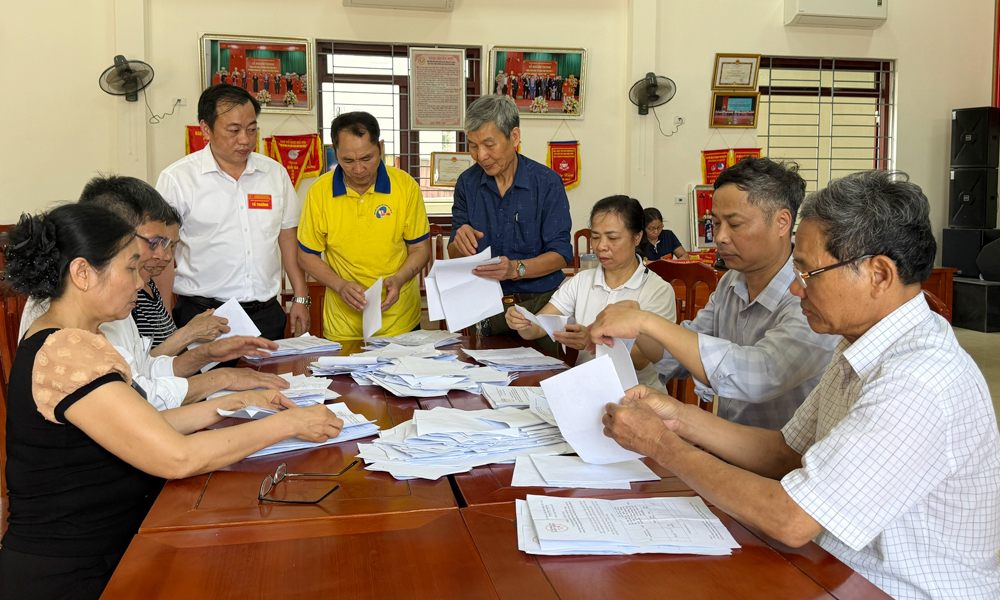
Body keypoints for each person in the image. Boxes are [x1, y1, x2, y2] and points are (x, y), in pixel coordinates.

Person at [596, 171, 1000, 600]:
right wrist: (677, 418)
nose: (795, 287)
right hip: (834, 567)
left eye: (809, 272)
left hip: (893, 588)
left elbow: (792, 518)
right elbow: (785, 452)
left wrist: (661, 444)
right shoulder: (861, 345)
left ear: (879, 274)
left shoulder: (917, 380)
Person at [0, 204, 344, 600]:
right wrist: (288, 424)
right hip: (71, 573)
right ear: (82, 273)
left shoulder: (74, 338)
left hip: (103, 550)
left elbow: (143, 424)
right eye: (130, 268)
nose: (139, 283)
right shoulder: (66, 350)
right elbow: (177, 457)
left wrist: (239, 402)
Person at [596, 158, 838, 429]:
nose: (720, 237)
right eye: (715, 223)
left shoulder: (810, 293)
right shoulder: (732, 282)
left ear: (782, 222)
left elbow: (759, 374)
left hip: (784, 453)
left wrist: (646, 322)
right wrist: (638, 326)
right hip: (727, 442)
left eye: (734, 224)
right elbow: (682, 350)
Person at [17, 176, 287, 410]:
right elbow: (139, 399)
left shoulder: (112, 295)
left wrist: (208, 354)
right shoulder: (69, 320)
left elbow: (143, 369)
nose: (165, 257)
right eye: (154, 243)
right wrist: (222, 380)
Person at [155, 83, 311, 340]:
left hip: (265, 315)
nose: (245, 140)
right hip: (203, 315)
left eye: (252, 129)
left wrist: (301, 297)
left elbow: (287, 239)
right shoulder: (178, 179)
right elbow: (162, 252)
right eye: (234, 130)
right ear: (206, 129)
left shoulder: (274, 174)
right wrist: (164, 317)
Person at [504, 195, 675, 389]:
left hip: (637, 396)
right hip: (585, 390)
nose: (600, 246)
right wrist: (522, 322)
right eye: (595, 237)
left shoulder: (658, 290)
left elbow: (642, 359)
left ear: (637, 237)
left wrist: (592, 340)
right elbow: (537, 327)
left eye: (612, 238)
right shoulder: (581, 281)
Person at [297, 111, 430, 340]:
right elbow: (306, 255)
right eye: (348, 161)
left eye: (367, 158)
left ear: (381, 147)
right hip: (343, 327)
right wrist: (340, 285)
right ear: (335, 152)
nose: (358, 169)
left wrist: (399, 279)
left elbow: (420, 249)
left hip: (400, 322)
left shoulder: (405, 186)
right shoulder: (319, 192)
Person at [449, 95, 573, 341]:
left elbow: (561, 255)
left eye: (489, 144)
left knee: (541, 366)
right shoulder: (467, 183)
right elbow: (454, 253)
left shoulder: (546, 183)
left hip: (540, 308)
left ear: (514, 137)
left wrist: (515, 269)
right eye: (473, 146)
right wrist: (459, 243)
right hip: (485, 308)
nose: (480, 155)